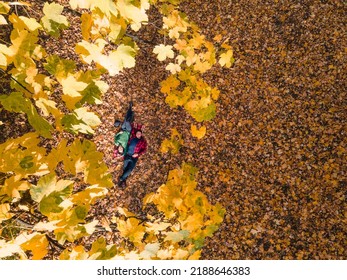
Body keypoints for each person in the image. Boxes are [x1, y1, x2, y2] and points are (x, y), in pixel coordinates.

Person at [118, 122, 147, 188]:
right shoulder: (133, 136)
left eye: (139, 134)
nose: (138, 134)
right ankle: (123, 181)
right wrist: (136, 126)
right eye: (137, 133)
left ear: (141, 134)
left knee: (129, 169)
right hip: (128, 154)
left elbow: (144, 150)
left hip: (134, 157)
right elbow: (133, 129)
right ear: (136, 134)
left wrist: (138, 154)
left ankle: (122, 179)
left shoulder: (142, 142)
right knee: (125, 168)